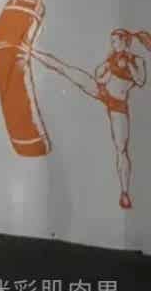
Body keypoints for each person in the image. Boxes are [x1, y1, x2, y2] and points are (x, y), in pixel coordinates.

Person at [29, 28, 148, 210]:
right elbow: (99, 77)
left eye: (115, 41)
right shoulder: (112, 57)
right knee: (67, 70)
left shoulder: (137, 60)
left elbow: (140, 80)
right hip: (103, 92)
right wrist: (108, 69)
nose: (112, 45)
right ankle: (32, 52)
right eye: (112, 42)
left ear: (125, 41)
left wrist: (128, 65)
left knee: (121, 149)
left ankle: (124, 192)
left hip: (118, 105)